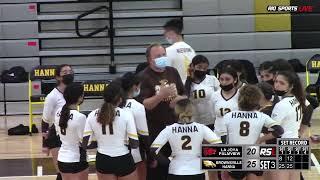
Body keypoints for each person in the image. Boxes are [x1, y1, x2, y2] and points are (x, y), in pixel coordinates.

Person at [139, 43, 186, 180]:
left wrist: (178, 99)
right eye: (158, 56)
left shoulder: (173, 72)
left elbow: (185, 95)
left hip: (174, 127)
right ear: (150, 59)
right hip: (154, 130)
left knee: (176, 167)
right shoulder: (143, 77)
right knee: (157, 169)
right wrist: (161, 95)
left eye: (163, 55)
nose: (162, 58)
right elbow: (144, 104)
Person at [150, 99, 222, 180]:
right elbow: (219, 146)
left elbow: (153, 150)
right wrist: (204, 161)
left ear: (176, 111)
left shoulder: (169, 129)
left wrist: (168, 162)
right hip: (196, 171)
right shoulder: (201, 127)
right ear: (192, 111)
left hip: (175, 171)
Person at [223, 85, 284, 180]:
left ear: (239, 99)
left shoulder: (228, 116)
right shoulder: (261, 116)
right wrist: (260, 139)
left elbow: (224, 138)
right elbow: (279, 130)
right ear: (257, 100)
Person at [82, 82, 139, 180]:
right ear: (120, 99)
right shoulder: (126, 114)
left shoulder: (91, 115)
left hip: (103, 160)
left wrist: (101, 143)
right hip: (123, 159)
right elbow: (134, 144)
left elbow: (85, 144)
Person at [271, 71, 307, 180]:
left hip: (284, 145)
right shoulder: (297, 99)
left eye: (282, 83)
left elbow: (273, 129)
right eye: (276, 81)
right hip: (296, 142)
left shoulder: (281, 105)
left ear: (291, 86)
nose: (277, 85)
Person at [41, 64, 74, 180]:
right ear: (58, 77)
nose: (69, 74)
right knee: (61, 172)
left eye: (70, 71)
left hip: (69, 134)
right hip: (55, 135)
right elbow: (45, 121)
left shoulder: (72, 92)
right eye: (65, 72)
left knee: (71, 171)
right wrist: (44, 144)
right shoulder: (52, 97)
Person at [54, 83, 88, 180]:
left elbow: (57, 133)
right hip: (77, 160)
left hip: (62, 159)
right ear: (80, 97)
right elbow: (84, 142)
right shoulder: (80, 117)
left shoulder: (58, 112)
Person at [121, 72, 150, 180]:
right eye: (139, 86)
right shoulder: (138, 107)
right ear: (134, 86)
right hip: (135, 154)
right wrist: (150, 156)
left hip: (116, 152)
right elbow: (144, 135)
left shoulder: (113, 105)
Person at [185, 55, 220, 129]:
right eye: (199, 67)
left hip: (212, 120)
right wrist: (189, 78)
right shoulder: (185, 82)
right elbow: (185, 98)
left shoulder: (212, 79)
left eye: (204, 68)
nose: (202, 70)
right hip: (195, 121)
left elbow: (220, 97)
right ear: (192, 66)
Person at [210, 67, 239, 143]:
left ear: (235, 80)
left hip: (236, 135)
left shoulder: (241, 95)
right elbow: (213, 115)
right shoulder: (214, 95)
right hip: (218, 135)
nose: (224, 82)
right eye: (221, 79)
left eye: (227, 79)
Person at [163, 19, 196, 83]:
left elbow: (164, 73)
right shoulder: (191, 50)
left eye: (165, 33)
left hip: (176, 88)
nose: (165, 36)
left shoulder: (168, 51)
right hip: (191, 86)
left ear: (171, 32)